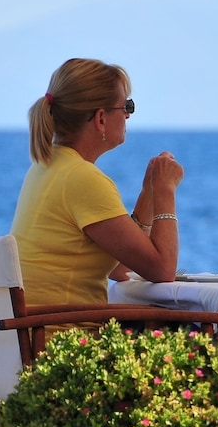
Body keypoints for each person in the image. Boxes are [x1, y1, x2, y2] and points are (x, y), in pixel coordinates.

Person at [10, 57, 184, 307]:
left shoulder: (45, 168)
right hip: (63, 340)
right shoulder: (83, 179)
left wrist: (149, 193)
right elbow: (163, 270)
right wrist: (166, 191)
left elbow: (121, 267)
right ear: (101, 118)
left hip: (31, 336)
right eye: (126, 107)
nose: (128, 116)